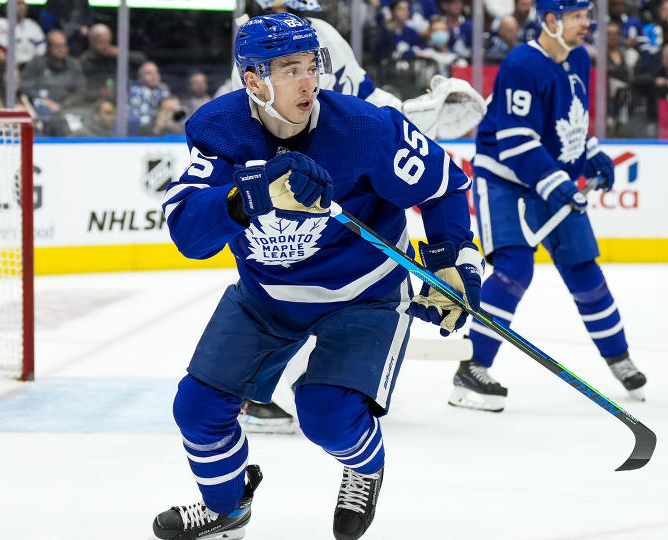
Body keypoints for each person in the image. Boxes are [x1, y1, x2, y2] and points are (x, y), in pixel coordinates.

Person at [153, 13, 481, 540]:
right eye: (289, 69)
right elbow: (189, 234)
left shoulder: (365, 128)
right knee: (197, 408)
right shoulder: (218, 130)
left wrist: (452, 259)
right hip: (267, 295)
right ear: (253, 80)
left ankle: (365, 467)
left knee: (325, 414)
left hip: (363, 292)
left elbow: (443, 186)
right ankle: (226, 505)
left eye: (311, 66)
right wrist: (249, 196)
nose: (307, 81)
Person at [232, 0, 487, 434]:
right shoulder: (261, 43)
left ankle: (280, 390)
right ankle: (260, 390)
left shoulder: (320, 36)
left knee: (318, 286)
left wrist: (419, 116)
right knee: (283, 285)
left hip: (332, 178)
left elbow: (365, 103)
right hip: (288, 187)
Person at [450, 0, 647, 413]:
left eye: (586, 16)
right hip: (505, 180)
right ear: (552, 20)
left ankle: (619, 357)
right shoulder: (522, 64)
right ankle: (473, 367)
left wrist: (591, 152)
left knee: (583, 269)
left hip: (548, 177)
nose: (586, 24)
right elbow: (517, 142)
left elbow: (572, 121)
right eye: (578, 17)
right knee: (513, 271)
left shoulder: (579, 59)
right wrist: (558, 182)